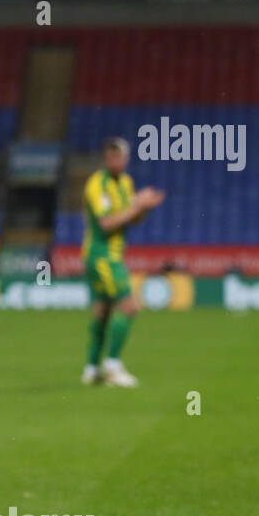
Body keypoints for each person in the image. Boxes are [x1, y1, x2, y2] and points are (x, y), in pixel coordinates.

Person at [81, 137, 165, 387]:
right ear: (106, 158)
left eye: (120, 157)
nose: (115, 161)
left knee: (103, 312)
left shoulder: (126, 183)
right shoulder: (98, 184)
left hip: (113, 255)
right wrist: (137, 205)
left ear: (126, 159)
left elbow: (132, 220)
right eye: (111, 156)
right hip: (101, 256)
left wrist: (144, 208)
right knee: (129, 306)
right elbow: (106, 223)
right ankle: (113, 365)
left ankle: (92, 369)